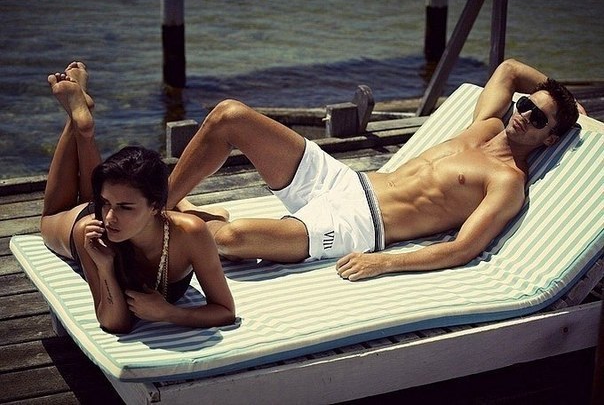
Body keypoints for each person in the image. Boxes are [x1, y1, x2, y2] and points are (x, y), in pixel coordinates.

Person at [167, 58, 581, 282]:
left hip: (358, 225)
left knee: (232, 238)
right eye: (526, 105)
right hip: (344, 180)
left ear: (549, 139)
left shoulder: (508, 181)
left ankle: (192, 218)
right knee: (230, 116)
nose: (524, 116)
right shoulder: (486, 125)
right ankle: (160, 204)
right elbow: (509, 70)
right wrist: (569, 102)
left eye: (539, 119)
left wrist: (385, 263)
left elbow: (463, 249)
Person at [40, 62, 235, 334]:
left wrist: (169, 313)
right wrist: (104, 266)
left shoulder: (191, 233)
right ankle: (76, 124)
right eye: (106, 204)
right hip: (80, 222)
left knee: (96, 196)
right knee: (50, 219)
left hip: (131, 216)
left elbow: (225, 311)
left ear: (156, 205)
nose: (109, 217)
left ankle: (81, 122)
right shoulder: (92, 232)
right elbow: (114, 322)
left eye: (125, 207)